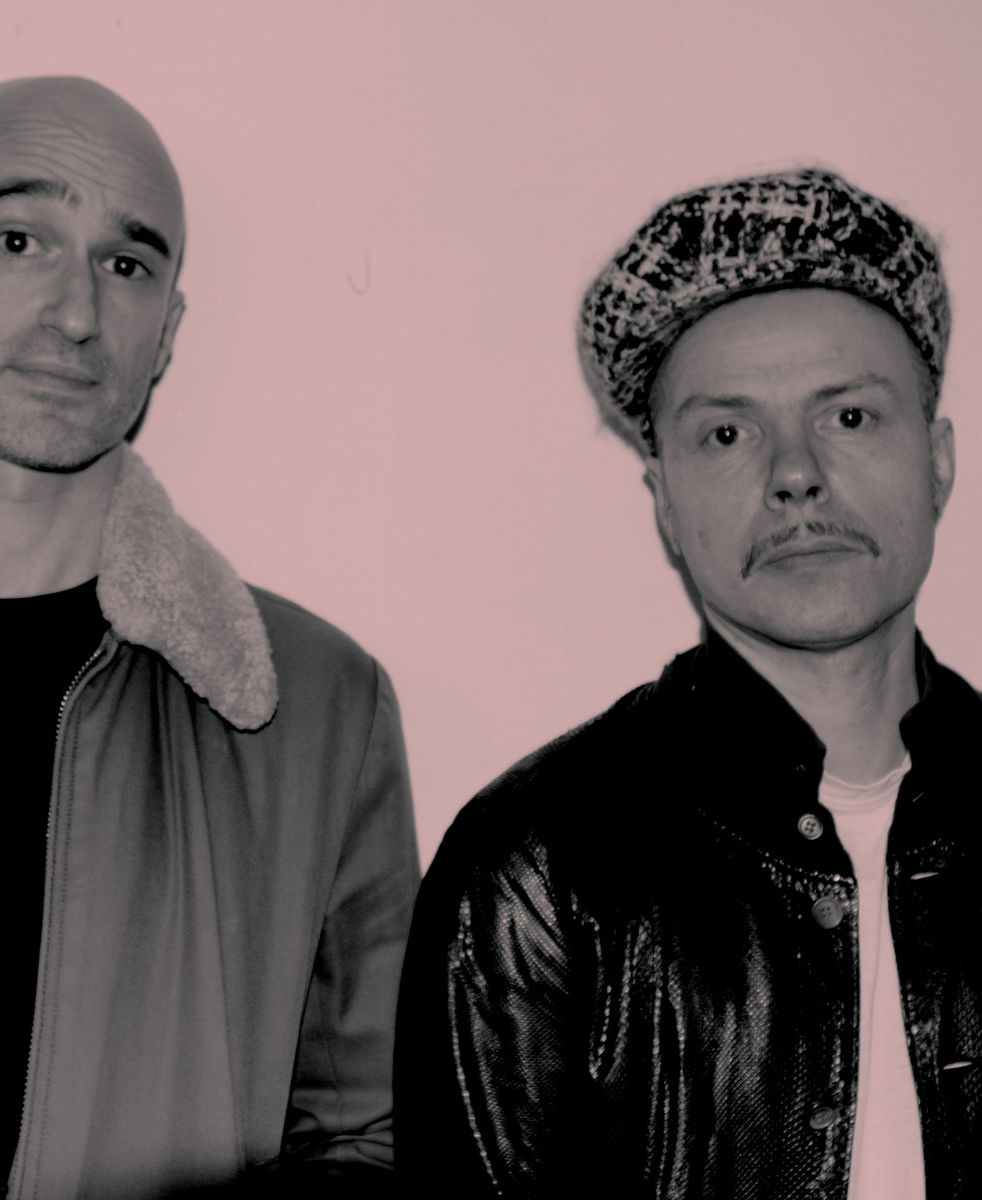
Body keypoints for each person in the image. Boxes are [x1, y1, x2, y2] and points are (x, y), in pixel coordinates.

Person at [0, 76, 419, 1200]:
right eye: (19, 239)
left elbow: (375, 1136)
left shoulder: (315, 712)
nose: (77, 311)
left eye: (126, 265)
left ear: (167, 331)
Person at [395, 169, 980, 1198]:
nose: (795, 474)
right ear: (664, 501)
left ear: (938, 461)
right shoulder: (536, 867)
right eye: (727, 433)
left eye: (850, 416)